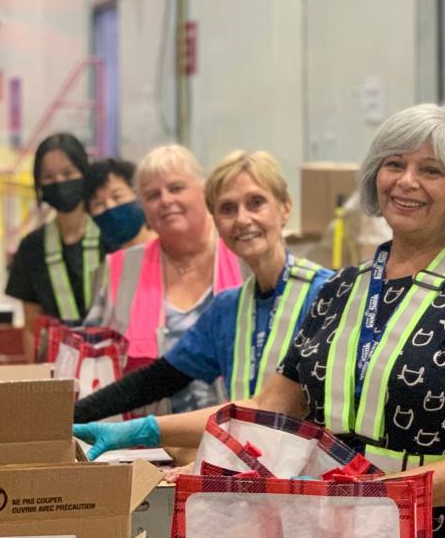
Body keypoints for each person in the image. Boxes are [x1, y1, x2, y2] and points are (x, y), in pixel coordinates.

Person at [75, 105, 445, 538]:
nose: (407, 181)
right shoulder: (341, 292)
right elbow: (270, 411)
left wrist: (371, 496)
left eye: (431, 170)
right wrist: (144, 430)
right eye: (394, 164)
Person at [75, 150, 333, 423]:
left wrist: (150, 430)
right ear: (216, 221)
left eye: (256, 203)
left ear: (285, 208)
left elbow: (274, 406)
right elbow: (158, 379)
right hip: (245, 459)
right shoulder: (228, 308)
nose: (243, 219)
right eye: (228, 209)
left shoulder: (329, 294)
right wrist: (72, 416)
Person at [84, 144, 245, 414]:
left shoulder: (244, 256)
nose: (166, 200)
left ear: (204, 190)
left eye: (176, 188)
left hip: (240, 441)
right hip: (147, 445)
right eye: (152, 195)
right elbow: (91, 360)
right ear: (143, 207)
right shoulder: (119, 269)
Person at [6, 133, 110, 355]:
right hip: (57, 366)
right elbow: (30, 329)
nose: (60, 183)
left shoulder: (111, 236)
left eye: (68, 173)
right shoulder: (31, 248)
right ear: (39, 184)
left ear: (84, 174)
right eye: (49, 177)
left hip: (113, 363)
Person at [83, 158, 155, 252]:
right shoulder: (109, 264)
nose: (110, 207)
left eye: (117, 196)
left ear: (139, 195)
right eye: (98, 204)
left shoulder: (170, 249)